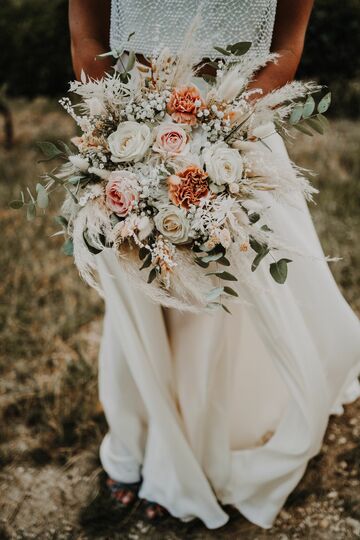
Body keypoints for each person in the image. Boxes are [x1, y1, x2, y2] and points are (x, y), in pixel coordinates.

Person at [68, 0, 360, 529]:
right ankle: (141, 436)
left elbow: (287, 42)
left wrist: (216, 134)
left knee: (216, 306)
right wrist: (121, 138)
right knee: (141, 297)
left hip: (233, 135)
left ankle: (196, 462)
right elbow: (88, 35)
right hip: (128, 133)